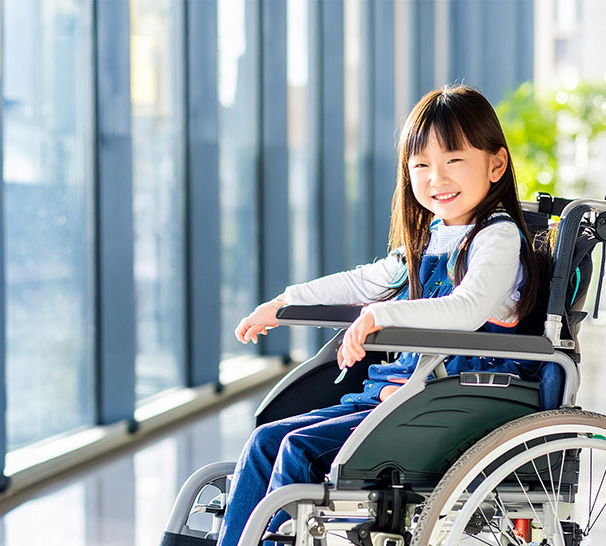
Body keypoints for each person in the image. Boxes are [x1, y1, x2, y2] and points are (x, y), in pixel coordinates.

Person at [216, 85, 542, 546]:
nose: (436, 178)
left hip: (454, 401)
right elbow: (361, 281)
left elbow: (467, 309)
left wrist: (379, 317)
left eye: (453, 160)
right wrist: (284, 303)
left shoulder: (498, 238)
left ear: (496, 164)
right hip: (406, 396)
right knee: (267, 439)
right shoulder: (432, 237)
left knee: (297, 449)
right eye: (421, 165)